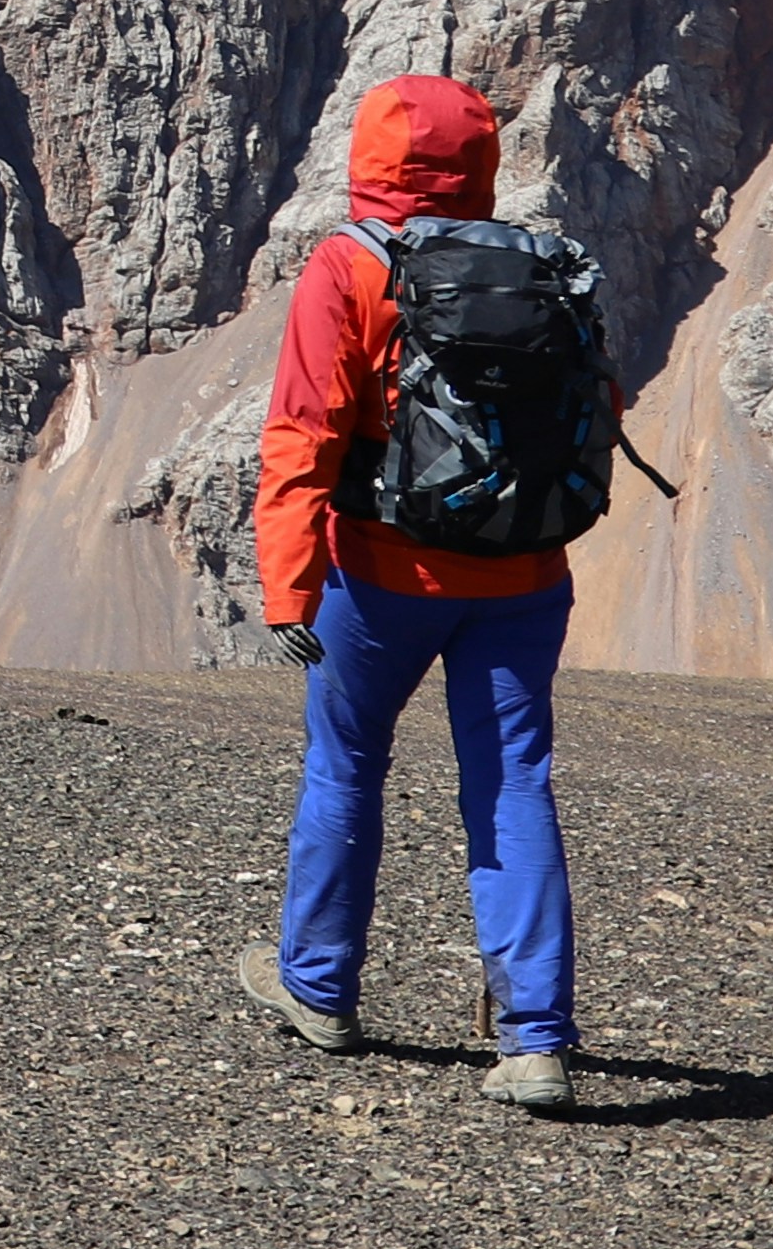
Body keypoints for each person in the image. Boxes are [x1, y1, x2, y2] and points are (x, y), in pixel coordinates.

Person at [238, 73, 600, 1112]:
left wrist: (287, 590)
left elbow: (302, 435)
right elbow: (596, 406)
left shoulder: (349, 268)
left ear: (370, 153)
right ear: (481, 160)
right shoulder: (544, 264)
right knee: (513, 782)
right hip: (526, 574)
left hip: (381, 574)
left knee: (348, 762)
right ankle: (534, 1039)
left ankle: (319, 987)